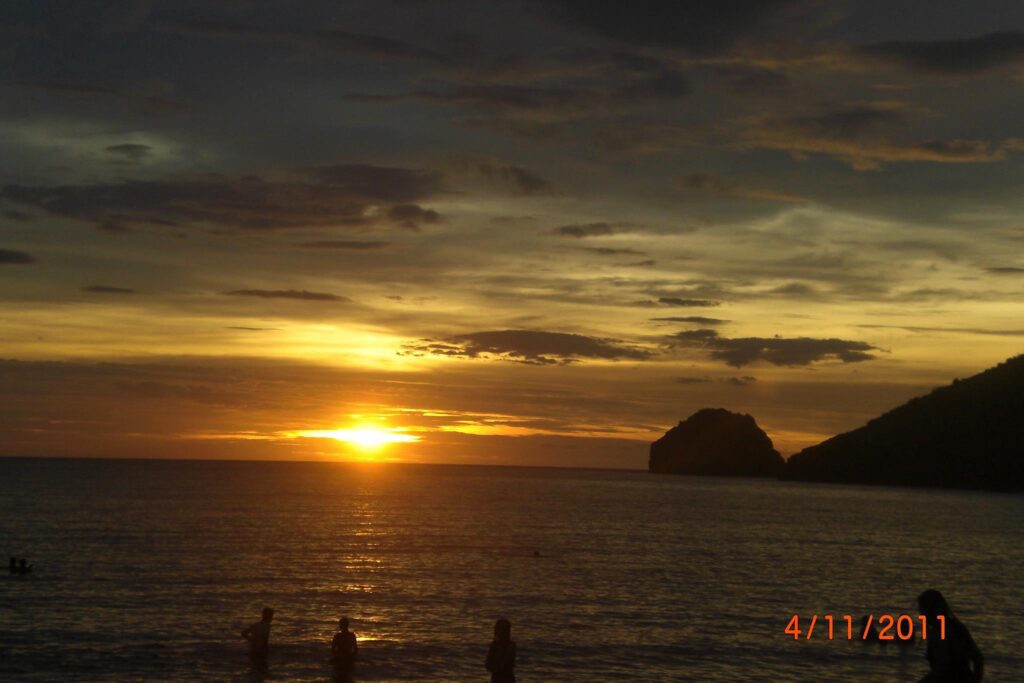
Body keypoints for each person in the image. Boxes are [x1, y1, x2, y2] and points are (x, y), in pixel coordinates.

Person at [917, 590, 983, 682]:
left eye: (922, 610)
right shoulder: (953, 627)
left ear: (931, 610)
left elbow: (943, 669)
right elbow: (978, 659)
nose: (920, 615)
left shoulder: (946, 631)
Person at [485, 618, 516, 683]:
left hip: (505, 678)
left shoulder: (510, 646)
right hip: (498, 678)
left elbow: (507, 663)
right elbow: (488, 664)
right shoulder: (494, 645)